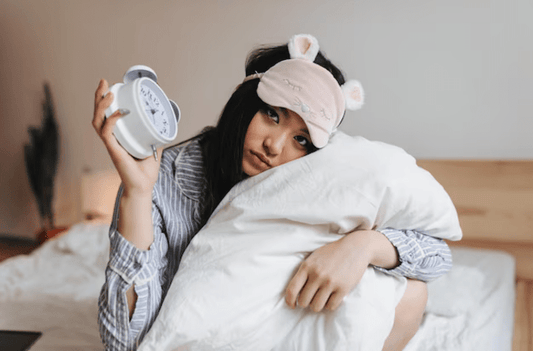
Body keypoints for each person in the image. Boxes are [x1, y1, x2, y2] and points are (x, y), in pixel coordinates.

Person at [95, 34, 452, 351]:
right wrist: (138, 195)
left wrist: (363, 247)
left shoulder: (319, 177)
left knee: (412, 293)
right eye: (272, 114)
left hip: (284, 326)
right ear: (244, 101)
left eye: (301, 140)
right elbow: (125, 342)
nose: (274, 146)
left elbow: (437, 258)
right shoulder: (162, 178)